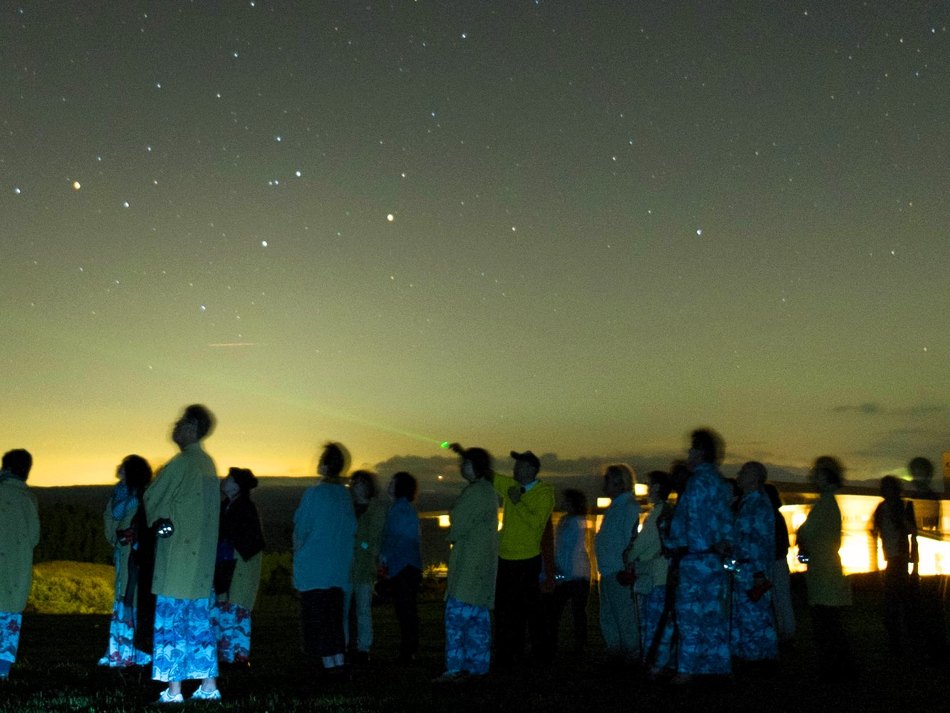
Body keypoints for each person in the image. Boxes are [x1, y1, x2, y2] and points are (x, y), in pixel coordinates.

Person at [143, 405, 221, 703]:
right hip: (200, 563)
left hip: (178, 559)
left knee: (172, 624)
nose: (174, 427)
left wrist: (160, 518)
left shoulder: (183, 462)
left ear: (190, 427)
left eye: (180, 422)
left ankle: (174, 691)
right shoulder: (208, 464)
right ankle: (209, 686)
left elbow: (153, 496)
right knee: (199, 624)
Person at [664, 429, 734, 684]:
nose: (688, 455)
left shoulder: (696, 482)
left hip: (695, 558)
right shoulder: (719, 481)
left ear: (701, 452)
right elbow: (727, 521)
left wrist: (674, 543)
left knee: (690, 616)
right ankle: (716, 668)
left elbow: (690, 522)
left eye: (692, 450)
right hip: (714, 561)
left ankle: (686, 670)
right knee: (713, 616)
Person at [434, 446, 499, 683]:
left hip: (468, 568)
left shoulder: (475, 493)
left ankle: (455, 669)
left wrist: (453, 518)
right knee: (478, 622)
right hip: (482, 569)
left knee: (457, 620)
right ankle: (478, 667)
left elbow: (458, 524)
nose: (462, 467)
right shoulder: (488, 492)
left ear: (474, 467)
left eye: (465, 464)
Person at [293, 442, 356, 676]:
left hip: (315, 568)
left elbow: (302, 529)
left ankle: (329, 667)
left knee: (318, 620)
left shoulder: (315, 494)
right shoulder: (344, 495)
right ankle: (338, 662)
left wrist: (298, 557)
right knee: (334, 620)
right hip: (338, 570)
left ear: (325, 466)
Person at [492, 450, 555, 666]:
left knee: (531, 609)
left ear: (530, 469)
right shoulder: (511, 486)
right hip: (506, 558)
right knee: (505, 608)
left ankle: (540, 652)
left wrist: (518, 502)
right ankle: (507, 652)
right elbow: (489, 476)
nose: (514, 469)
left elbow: (537, 524)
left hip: (528, 559)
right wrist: (466, 454)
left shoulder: (545, 494)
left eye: (518, 465)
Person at [796, 455, 853, 680]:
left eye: (819, 472)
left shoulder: (825, 504)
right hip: (825, 570)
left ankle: (835, 669)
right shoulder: (828, 503)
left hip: (824, 572)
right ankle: (839, 668)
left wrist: (802, 537)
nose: (814, 475)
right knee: (830, 624)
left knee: (826, 624)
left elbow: (807, 532)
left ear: (828, 477)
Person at [99, 454, 154, 669]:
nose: (118, 467)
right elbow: (110, 526)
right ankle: (120, 650)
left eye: (124, 465)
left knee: (134, 599)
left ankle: (135, 650)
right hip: (123, 555)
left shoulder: (143, 497)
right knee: (123, 598)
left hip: (136, 558)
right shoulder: (119, 495)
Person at [212, 467, 265, 667]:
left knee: (235, 608)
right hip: (235, 564)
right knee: (231, 607)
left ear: (237, 487)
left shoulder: (241, 507)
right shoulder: (231, 505)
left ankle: (235, 656)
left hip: (241, 564)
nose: (224, 480)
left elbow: (241, 538)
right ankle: (231, 654)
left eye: (229, 479)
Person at [730, 461, 778, 666]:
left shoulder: (757, 504)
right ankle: (751, 655)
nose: (739, 474)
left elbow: (759, 540)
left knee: (754, 615)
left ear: (756, 478)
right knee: (746, 614)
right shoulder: (746, 502)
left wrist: (759, 572)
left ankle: (759, 659)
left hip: (751, 569)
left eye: (744, 471)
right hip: (744, 568)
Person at [627, 470, 673, 676]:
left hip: (655, 576)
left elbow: (642, 544)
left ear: (656, 487)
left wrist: (628, 555)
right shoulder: (669, 511)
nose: (646, 489)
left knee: (651, 623)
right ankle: (663, 662)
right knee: (664, 623)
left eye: (649, 484)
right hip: (665, 574)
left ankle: (654, 665)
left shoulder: (657, 514)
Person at [594, 462, 641, 664]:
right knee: (610, 613)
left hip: (618, 570)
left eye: (608, 479)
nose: (604, 483)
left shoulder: (627, 507)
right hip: (609, 569)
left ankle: (631, 650)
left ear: (620, 483)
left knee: (623, 613)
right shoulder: (616, 506)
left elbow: (629, 538)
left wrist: (627, 567)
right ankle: (616, 648)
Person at [0, 449, 39, 681]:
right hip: (16, 567)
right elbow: (34, 536)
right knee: (9, 620)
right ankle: (2, 669)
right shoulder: (28, 498)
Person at [871, 475, 917, 654]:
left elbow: (912, 531)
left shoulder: (903, 506)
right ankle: (901, 640)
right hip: (893, 559)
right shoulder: (882, 509)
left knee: (896, 602)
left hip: (899, 559)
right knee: (898, 602)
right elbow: (876, 534)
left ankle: (900, 641)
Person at [380, 471, 423, 664]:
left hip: (403, 566)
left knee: (405, 611)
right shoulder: (404, 508)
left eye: (392, 482)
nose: (389, 485)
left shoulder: (399, 509)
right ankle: (409, 649)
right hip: (408, 565)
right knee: (407, 610)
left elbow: (394, 538)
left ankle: (408, 651)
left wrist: (384, 557)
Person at [347, 469, 388, 665]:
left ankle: (364, 648)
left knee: (363, 609)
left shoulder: (376, 509)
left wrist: (358, 543)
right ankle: (345, 645)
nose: (357, 486)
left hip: (364, 568)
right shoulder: (346, 507)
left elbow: (372, 542)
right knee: (345, 609)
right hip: (345, 567)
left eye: (361, 483)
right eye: (354, 483)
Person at [547, 488, 591, 656]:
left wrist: (560, 571)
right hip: (573, 574)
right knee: (569, 611)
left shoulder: (575, 521)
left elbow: (571, 549)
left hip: (574, 575)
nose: (562, 502)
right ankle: (577, 644)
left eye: (566, 500)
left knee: (572, 611)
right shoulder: (567, 520)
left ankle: (578, 644)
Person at [764, 483, 795, 644]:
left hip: (776, 561)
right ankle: (786, 631)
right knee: (781, 599)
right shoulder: (777, 515)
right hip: (780, 561)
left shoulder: (771, 516)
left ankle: (787, 632)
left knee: (780, 599)